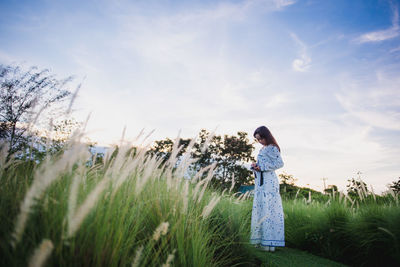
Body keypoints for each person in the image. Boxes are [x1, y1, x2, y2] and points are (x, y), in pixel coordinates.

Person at [250, 126, 285, 252]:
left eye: (261, 138)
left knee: (269, 209)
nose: (260, 141)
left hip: (269, 182)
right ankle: (262, 240)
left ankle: (270, 243)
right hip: (260, 182)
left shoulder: (272, 148)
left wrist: (262, 167)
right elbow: (264, 164)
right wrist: (256, 166)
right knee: (261, 208)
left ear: (266, 136)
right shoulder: (263, 149)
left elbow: (280, 163)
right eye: (258, 140)